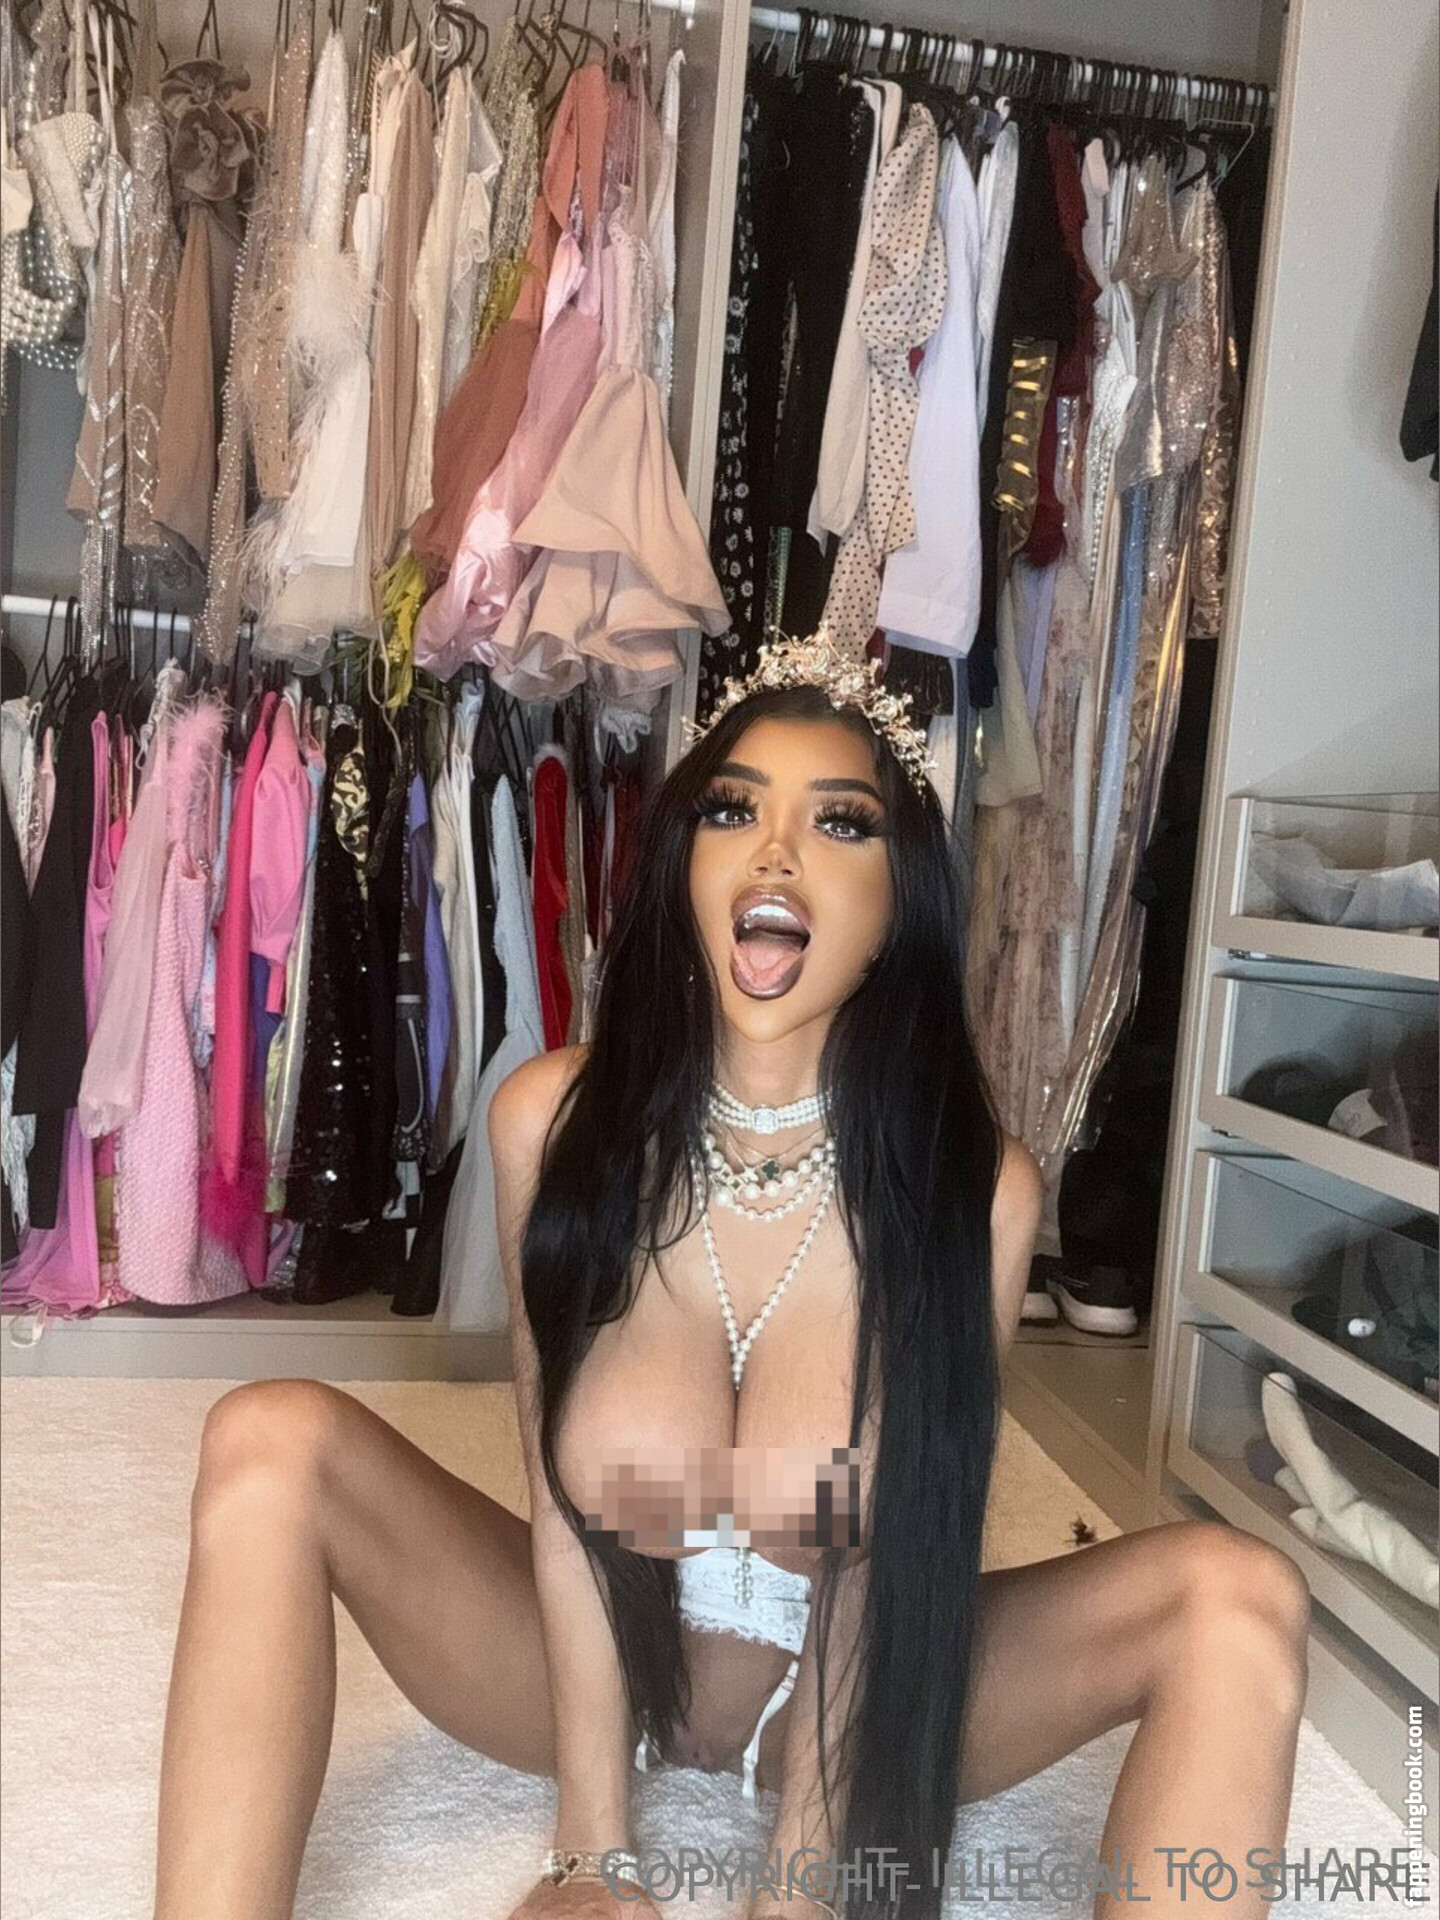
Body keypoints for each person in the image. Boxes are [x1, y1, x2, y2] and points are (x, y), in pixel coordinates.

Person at [151, 631, 1311, 1920]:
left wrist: (801, 1884)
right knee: (268, 1439)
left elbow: (897, 1560)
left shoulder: (971, 1189)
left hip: (856, 1698)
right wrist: (592, 1858)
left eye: (840, 823)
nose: (775, 853)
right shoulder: (554, 1124)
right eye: (733, 810)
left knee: (1239, 1595)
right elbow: (562, 1509)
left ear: (899, 900)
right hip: (591, 1671)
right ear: (685, 863)